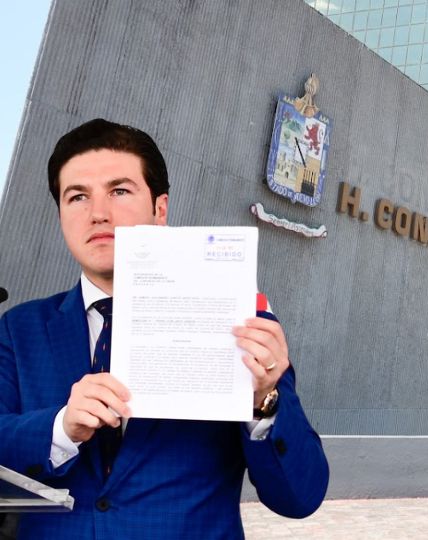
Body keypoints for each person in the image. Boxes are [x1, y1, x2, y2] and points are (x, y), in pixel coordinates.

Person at [0, 118, 329, 538]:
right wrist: (61, 428)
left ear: (159, 209)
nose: (98, 213)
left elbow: (300, 497)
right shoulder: (18, 329)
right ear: (61, 215)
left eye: (119, 191)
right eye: (77, 196)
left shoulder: (239, 323)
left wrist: (264, 399)